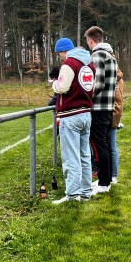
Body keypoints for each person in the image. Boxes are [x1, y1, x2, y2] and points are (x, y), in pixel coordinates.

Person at [51, 38, 95, 204]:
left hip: (70, 114)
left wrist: (54, 83)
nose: (60, 58)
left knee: (71, 156)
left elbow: (63, 87)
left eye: (59, 54)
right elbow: (93, 87)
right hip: (85, 113)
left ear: (63, 51)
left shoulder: (69, 64)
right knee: (84, 154)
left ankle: (72, 194)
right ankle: (85, 192)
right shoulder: (89, 65)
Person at [85, 26, 118, 196]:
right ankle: (107, 178)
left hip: (98, 108)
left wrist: (86, 98)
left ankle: (104, 183)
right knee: (105, 143)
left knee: (99, 146)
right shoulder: (111, 57)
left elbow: (97, 84)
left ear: (90, 40)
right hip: (108, 107)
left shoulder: (97, 56)